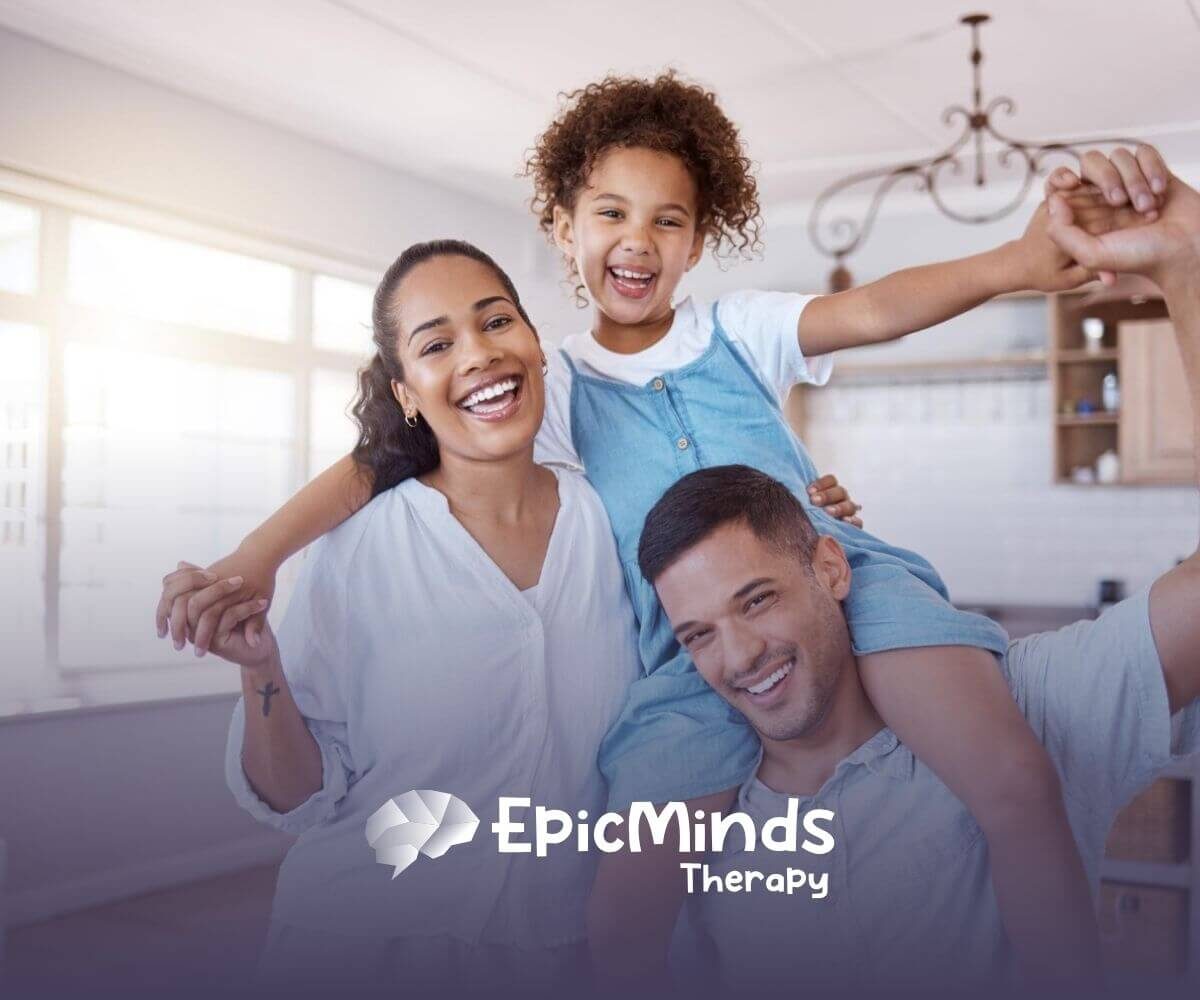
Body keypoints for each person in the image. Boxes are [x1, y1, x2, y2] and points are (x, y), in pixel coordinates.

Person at [155, 76, 1159, 982]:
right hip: (681, 657)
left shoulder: (738, 331)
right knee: (628, 908)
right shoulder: (547, 385)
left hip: (844, 574)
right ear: (565, 226)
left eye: (667, 220)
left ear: (697, 239)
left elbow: (876, 310)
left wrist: (1020, 262)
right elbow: (381, 458)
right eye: (611, 212)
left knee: (1014, 781)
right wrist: (252, 560)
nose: (638, 238)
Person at [635, 161, 1200, 992]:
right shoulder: (690, 823)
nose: (741, 654)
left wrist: (1187, 268)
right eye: (698, 634)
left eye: (756, 600)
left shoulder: (1027, 708)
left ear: (831, 565)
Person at [156, 240, 647, 991]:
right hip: (366, 946)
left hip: (568, 948)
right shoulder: (357, 549)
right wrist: (263, 670)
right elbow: (295, 796)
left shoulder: (610, 522)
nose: (478, 355)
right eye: (437, 344)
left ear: (536, 345)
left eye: (496, 322)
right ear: (408, 392)